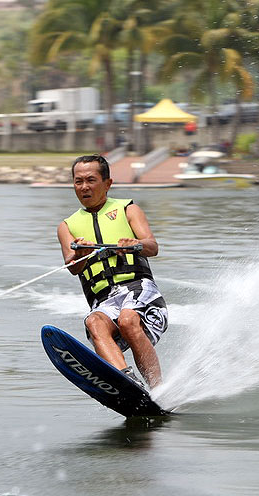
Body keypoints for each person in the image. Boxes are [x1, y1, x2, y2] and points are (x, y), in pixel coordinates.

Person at [57, 154, 167, 388]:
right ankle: (127, 381)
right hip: (104, 301)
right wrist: (79, 255)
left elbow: (152, 247)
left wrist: (135, 245)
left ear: (107, 183)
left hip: (141, 293)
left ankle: (159, 389)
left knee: (128, 320)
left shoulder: (128, 209)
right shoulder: (67, 226)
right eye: (78, 181)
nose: (84, 187)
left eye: (91, 180)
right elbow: (73, 268)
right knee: (94, 322)